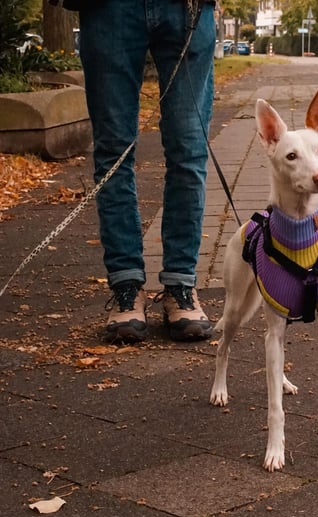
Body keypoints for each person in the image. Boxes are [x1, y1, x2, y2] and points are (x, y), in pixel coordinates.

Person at [75, 0, 217, 343]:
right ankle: (126, 286)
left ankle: (181, 284)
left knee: (189, 150)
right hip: (108, 8)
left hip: (186, 7)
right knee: (113, 153)